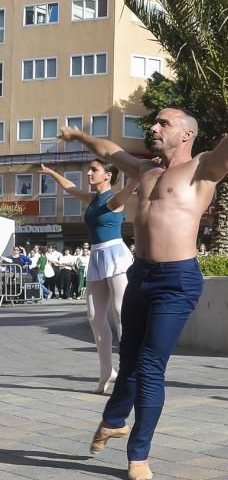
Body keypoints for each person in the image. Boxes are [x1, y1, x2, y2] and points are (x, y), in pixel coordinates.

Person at [68, 91, 228, 480]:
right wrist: (80, 137)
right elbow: (111, 150)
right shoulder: (145, 170)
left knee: (149, 365)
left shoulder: (204, 168)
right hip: (140, 275)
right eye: (155, 122)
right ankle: (114, 420)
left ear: (185, 135)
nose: (154, 127)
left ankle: (138, 453)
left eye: (163, 123)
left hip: (177, 281)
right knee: (128, 356)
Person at [39, 162, 135, 393]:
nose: (89, 173)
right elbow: (70, 187)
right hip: (97, 256)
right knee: (94, 316)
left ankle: (130, 372)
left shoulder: (114, 200)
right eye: (89, 170)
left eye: (94, 170)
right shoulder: (93, 199)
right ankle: (106, 371)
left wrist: (142, 174)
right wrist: (51, 172)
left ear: (108, 176)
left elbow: (129, 188)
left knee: (122, 312)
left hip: (115, 255)